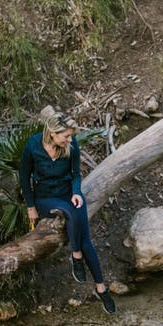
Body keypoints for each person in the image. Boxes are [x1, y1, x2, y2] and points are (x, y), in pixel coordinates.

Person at [19, 106, 116, 314]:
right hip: (45, 198)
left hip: (68, 193)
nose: (70, 140)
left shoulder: (71, 146)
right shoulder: (33, 145)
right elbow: (24, 176)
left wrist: (75, 192)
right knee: (70, 214)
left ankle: (101, 287)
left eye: (71, 136)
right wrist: (30, 206)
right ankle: (76, 256)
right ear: (53, 133)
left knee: (86, 240)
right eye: (66, 136)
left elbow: (76, 174)